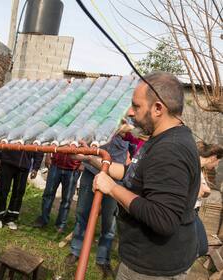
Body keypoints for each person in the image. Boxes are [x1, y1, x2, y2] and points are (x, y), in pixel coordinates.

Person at [89, 72, 200, 279]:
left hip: (152, 267)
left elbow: (163, 219)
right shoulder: (161, 138)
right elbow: (134, 175)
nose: (130, 112)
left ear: (158, 108)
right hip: (149, 259)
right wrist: (91, 159)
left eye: (136, 106)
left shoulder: (170, 150)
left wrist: (113, 188)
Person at [65, 135, 129, 278]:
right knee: (82, 213)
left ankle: (102, 259)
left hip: (114, 177)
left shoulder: (129, 122)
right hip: (91, 170)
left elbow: (135, 147)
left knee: (109, 221)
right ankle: (76, 251)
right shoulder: (102, 117)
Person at [0, 150, 43, 230]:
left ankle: (11, 218)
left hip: (24, 166)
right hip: (7, 161)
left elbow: (39, 149)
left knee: (19, 192)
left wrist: (35, 168)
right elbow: (2, 138)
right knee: (3, 189)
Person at [33, 153, 82, 233]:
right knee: (48, 194)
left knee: (67, 198)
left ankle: (61, 224)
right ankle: (43, 219)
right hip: (55, 165)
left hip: (73, 168)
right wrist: (48, 155)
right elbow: (53, 141)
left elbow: (88, 145)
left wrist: (83, 163)